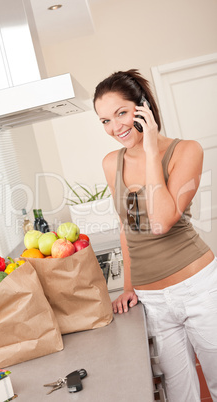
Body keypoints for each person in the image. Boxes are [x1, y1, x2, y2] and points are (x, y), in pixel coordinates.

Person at [93, 69, 217, 402]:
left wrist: (150, 152)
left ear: (143, 108)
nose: (115, 127)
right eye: (105, 120)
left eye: (121, 113)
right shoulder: (111, 163)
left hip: (198, 288)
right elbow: (127, 227)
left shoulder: (186, 151)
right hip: (152, 301)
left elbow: (161, 220)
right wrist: (129, 287)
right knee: (180, 395)